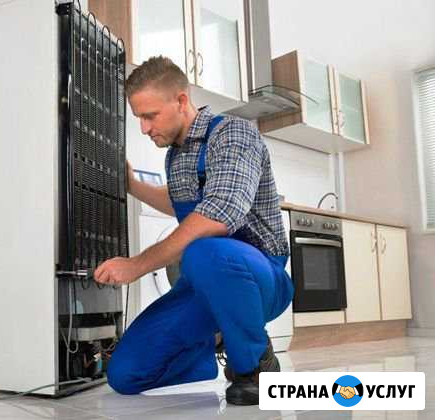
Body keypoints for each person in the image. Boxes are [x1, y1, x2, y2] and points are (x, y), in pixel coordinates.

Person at [92, 56, 294, 406]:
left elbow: (218, 215)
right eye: (139, 117)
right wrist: (132, 185)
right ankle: (217, 340)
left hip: (260, 278)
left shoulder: (232, 133)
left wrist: (136, 265)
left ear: (181, 101)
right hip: (204, 283)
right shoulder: (175, 155)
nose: (143, 128)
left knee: (202, 250)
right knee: (125, 374)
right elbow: (179, 203)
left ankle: (254, 367)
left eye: (150, 116)